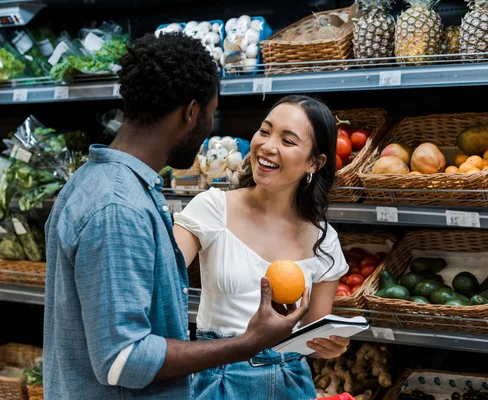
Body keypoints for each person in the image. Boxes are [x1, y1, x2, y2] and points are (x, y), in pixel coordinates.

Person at [43, 33, 311, 400]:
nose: (208, 129)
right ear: (191, 112)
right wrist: (248, 343)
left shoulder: (101, 183)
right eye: (211, 114)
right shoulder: (119, 207)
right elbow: (123, 359)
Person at [173, 95, 351, 399]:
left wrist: (330, 347)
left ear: (314, 162)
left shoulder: (324, 240)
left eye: (288, 140)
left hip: (290, 382)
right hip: (219, 378)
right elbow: (161, 279)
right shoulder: (214, 208)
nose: (268, 146)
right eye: (265, 131)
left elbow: (313, 335)